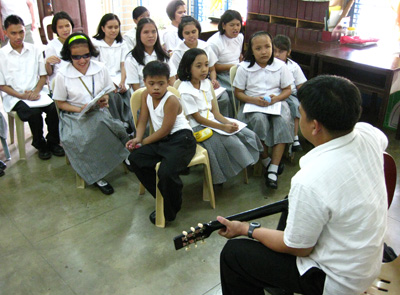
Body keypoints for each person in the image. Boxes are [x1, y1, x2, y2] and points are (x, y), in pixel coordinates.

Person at [217, 75, 388, 295]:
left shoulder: (310, 180)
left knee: (234, 255)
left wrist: (245, 229)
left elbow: (298, 248)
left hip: (336, 281)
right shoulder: (369, 134)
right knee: (292, 209)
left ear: (315, 126)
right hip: (366, 263)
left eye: (301, 113)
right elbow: (382, 144)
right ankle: (280, 286)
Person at [53, 32, 130, 195]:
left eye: (86, 55)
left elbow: (107, 91)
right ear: (69, 56)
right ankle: (97, 176)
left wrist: (104, 100)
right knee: (82, 138)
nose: (82, 60)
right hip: (73, 115)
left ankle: (125, 157)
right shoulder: (62, 75)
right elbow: (60, 103)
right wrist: (79, 109)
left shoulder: (100, 68)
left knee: (114, 127)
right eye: (76, 57)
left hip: (97, 110)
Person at [177, 48, 262, 185]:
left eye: (206, 64)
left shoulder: (205, 83)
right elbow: (198, 118)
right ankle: (221, 177)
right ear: (187, 68)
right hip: (198, 127)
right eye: (198, 66)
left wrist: (228, 123)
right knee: (233, 143)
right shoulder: (185, 90)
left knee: (247, 134)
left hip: (212, 121)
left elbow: (216, 113)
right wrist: (223, 127)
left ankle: (245, 164)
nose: (204, 69)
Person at [126, 60, 196, 225]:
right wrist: (137, 138)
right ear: (144, 83)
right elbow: (143, 119)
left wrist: (143, 142)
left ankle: (170, 208)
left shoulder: (171, 100)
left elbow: (165, 130)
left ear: (168, 82)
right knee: (136, 159)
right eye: (151, 83)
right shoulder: (145, 95)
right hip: (162, 140)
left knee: (166, 172)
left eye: (161, 83)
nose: (156, 87)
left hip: (181, 139)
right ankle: (163, 196)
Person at [233, 31, 293, 189]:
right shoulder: (244, 68)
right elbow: (238, 93)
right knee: (258, 120)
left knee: (282, 120)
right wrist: (254, 100)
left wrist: (276, 98)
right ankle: (266, 159)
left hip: (276, 102)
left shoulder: (280, 66)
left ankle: (273, 168)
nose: (264, 51)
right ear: (251, 50)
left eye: (267, 47)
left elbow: (287, 89)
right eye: (258, 48)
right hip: (252, 104)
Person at [0, 15, 64, 160]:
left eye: (21, 32)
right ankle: (40, 144)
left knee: (55, 108)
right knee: (33, 113)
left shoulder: (34, 49)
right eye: (13, 33)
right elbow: (2, 85)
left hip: (37, 92)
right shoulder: (1, 55)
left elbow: (43, 76)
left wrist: (36, 91)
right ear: (5, 33)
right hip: (15, 96)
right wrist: (22, 96)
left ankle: (53, 142)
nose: (18, 37)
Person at [170, 16, 231, 117]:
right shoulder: (178, 52)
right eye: (187, 33)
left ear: (198, 31)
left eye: (194, 31)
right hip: (189, 85)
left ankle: (221, 121)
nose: (191, 35)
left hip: (205, 83)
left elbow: (212, 69)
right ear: (182, 34)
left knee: (224, 98)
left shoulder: (205, 46)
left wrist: (213, 80)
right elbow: (177, 77)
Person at [92, 13, 135, 135]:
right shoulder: (96, 44)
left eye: (116, 27)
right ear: (103, 28)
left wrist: (122, 82)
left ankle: (128, 122)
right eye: (110, 27)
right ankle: (117, 122)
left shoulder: (122, 43)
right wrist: (111, 84)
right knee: (112, 95)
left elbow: (123, 65)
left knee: (127, 92)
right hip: (102, 78)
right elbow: (96, 68)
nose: (114, 30)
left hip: (118, 77)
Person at [273, 34, 307, 153]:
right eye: (274, 51)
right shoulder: (270, 64)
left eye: (281, 51)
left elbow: (301, 85)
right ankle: (292, 137)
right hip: (276, 94)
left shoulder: (293, 66)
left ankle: (295, 137)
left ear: (288, 52)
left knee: (296, 105)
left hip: (291, 94)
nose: (277, 54)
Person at [207, 9, 243, 114]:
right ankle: (231, 119)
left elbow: (238, 56)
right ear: (223, 25)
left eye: (238, 24)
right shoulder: (214, 42)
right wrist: (232, 66)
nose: (236, 28)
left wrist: (239, 65)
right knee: (234, 92)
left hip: (237, 70)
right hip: (221, 74)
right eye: (232, 25)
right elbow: (212, 67)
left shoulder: (240, 37)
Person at [125, 17, 176, 91]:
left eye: (153, 32)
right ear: (139, 35)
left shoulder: (164, 56)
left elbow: (172, 81)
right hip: (143, 99)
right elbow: (136, 89)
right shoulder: (132, 59)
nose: (151, 35)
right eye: (146, 32)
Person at [44, 11, 74, 83]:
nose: (65, 30)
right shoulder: (51, 46)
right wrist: (47, 63)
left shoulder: (77, 41)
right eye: (60, 27)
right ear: (55, 29)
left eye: (67, 26)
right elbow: (49, 73)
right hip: (59, 82)